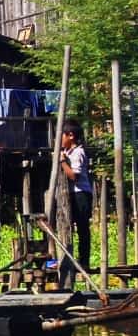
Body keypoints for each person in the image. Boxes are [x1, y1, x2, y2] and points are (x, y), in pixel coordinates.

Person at [58, 120, 92, 280]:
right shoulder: (68, 151)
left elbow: (73, 176)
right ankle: (70, 258)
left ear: (70, 136)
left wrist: (62, 161)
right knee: (67, 225)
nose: (60, 139)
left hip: (81, 193)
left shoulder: (78, 153)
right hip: (72, 194)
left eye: (62, 136)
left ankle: (84, 261)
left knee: (82, 227)